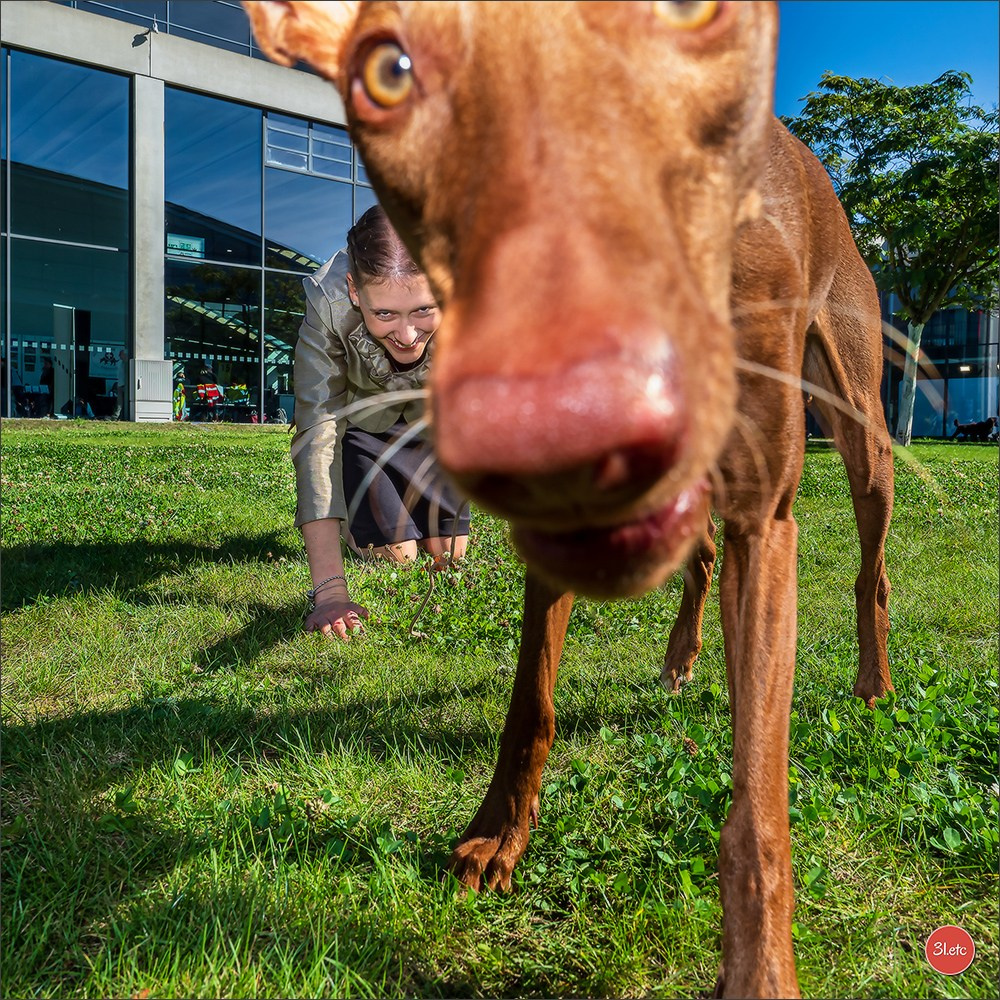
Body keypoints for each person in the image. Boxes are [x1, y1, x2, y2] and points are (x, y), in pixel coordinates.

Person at [293, 205, 470, 640]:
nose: (407, 337)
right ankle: (355, 523)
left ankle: (406, 513)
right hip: (363, 430)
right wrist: (331, 592)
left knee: (449, 556)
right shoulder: (328, 303)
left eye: (423, 310)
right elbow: (318, 429)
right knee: (401, 557)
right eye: (385, 314)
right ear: (354, 290)